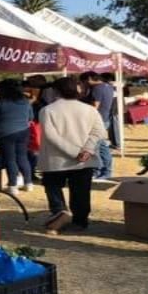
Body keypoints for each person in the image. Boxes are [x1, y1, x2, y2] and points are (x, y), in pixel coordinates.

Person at [38, 77, 108, 235]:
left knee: (53, 187)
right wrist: (87, 150)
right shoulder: (90, 109)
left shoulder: (48, 110)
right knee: (81, 191)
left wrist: (73, 152)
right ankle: (80, 221)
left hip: (55, 160)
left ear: (56, 91)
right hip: (84, 160)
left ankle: (60, 211)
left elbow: (51, 136)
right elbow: (99, 132)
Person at [0, 79, 34, 196]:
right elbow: (31, 117)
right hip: (23, 132)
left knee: (10, 159)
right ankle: (28, 183)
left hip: (5, 133)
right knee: (23, 157)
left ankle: (13, 185)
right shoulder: (25, 101)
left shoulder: (0, 102)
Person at [81, 71, 117, 180]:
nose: (84, 83)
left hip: (97, 121)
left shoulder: (97, 88)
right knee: (101, 146)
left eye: (84, 81)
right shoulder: (108, 87)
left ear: (90, 78)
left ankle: (99, 171)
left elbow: (94, 106)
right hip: (104, 119)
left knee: (96, 147)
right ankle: (105, 171)